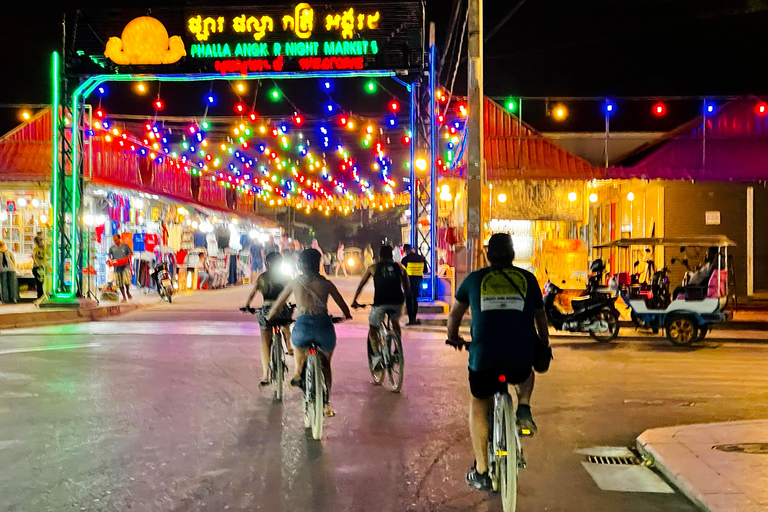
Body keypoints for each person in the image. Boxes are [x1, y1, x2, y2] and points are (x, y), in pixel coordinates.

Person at [446, 233, 550, 491]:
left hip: (484, 357)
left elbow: (455, 315)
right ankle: (523, 406)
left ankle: (482, 470)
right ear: (512, 255)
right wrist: (544, 344)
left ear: (488, 255)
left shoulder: (475, 279)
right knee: (525, 373)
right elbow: (541, 317)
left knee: (479, 402)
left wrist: (453, 338)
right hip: (519, 358)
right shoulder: (527, 279)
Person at [267, 249, 352, 417]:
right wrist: (346, 315)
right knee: (326, 363)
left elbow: (278, 303)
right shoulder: (327, 284)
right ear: (318, 264)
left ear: (300, 265)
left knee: (298, 346)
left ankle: (299, 372)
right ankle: (325, 404)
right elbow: (343, 305)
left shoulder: (295, 282)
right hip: (324, 327)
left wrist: (270, 317)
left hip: (303, 326)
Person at [351, 245, 410, 369]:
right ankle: (397, 350)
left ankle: (377, 356)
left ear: (380, 256)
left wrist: (355, 301)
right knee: (395, 322)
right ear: (392, 255)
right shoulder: (400, 267)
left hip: (380, 303)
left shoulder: (373, 268)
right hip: (397, 303)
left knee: (373, 326)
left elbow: (361, 284)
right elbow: (407, 286)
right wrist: (405, 299)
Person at [242, 251, 294, 386]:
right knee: (286, 323)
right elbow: (292, 294)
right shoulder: (286, 277)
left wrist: (247, 306)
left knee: (265, 343)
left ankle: (265, 375)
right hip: (282, 310)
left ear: (267, 263)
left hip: (266, 310)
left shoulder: (262, 277)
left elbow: (252, 294)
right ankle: (288, 345)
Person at [401, 244, 428, 325]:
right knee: (415, 300)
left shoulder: (405, 259)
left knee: (409, 300)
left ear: (405, 250)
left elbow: (402, 272)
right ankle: (414, 318)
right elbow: (425, 271)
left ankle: (411, 320)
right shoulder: (421, 258)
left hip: (408, 282)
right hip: (418, 281)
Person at [108, 234, 133, 302]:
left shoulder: (125, 246)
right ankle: (124, 297)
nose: (115, 241)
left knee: (126, 280)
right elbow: (109, 256)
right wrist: (110, 261)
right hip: (117, 267)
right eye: (114, 240)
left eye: (116, 240)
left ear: (119, 239)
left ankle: (127, 292)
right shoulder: (112, 248)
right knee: (120, 283)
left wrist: (126, 258)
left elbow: (130, 253)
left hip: (125, 266)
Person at [32, 235, 46, 299]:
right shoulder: (44, 248)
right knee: (43, 282)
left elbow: (33, 257)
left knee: (38, 282)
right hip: (44, 267)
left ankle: (39, 295)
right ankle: (43, 295)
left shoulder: (35, 249)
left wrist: (37, 263)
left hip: (37, 267)